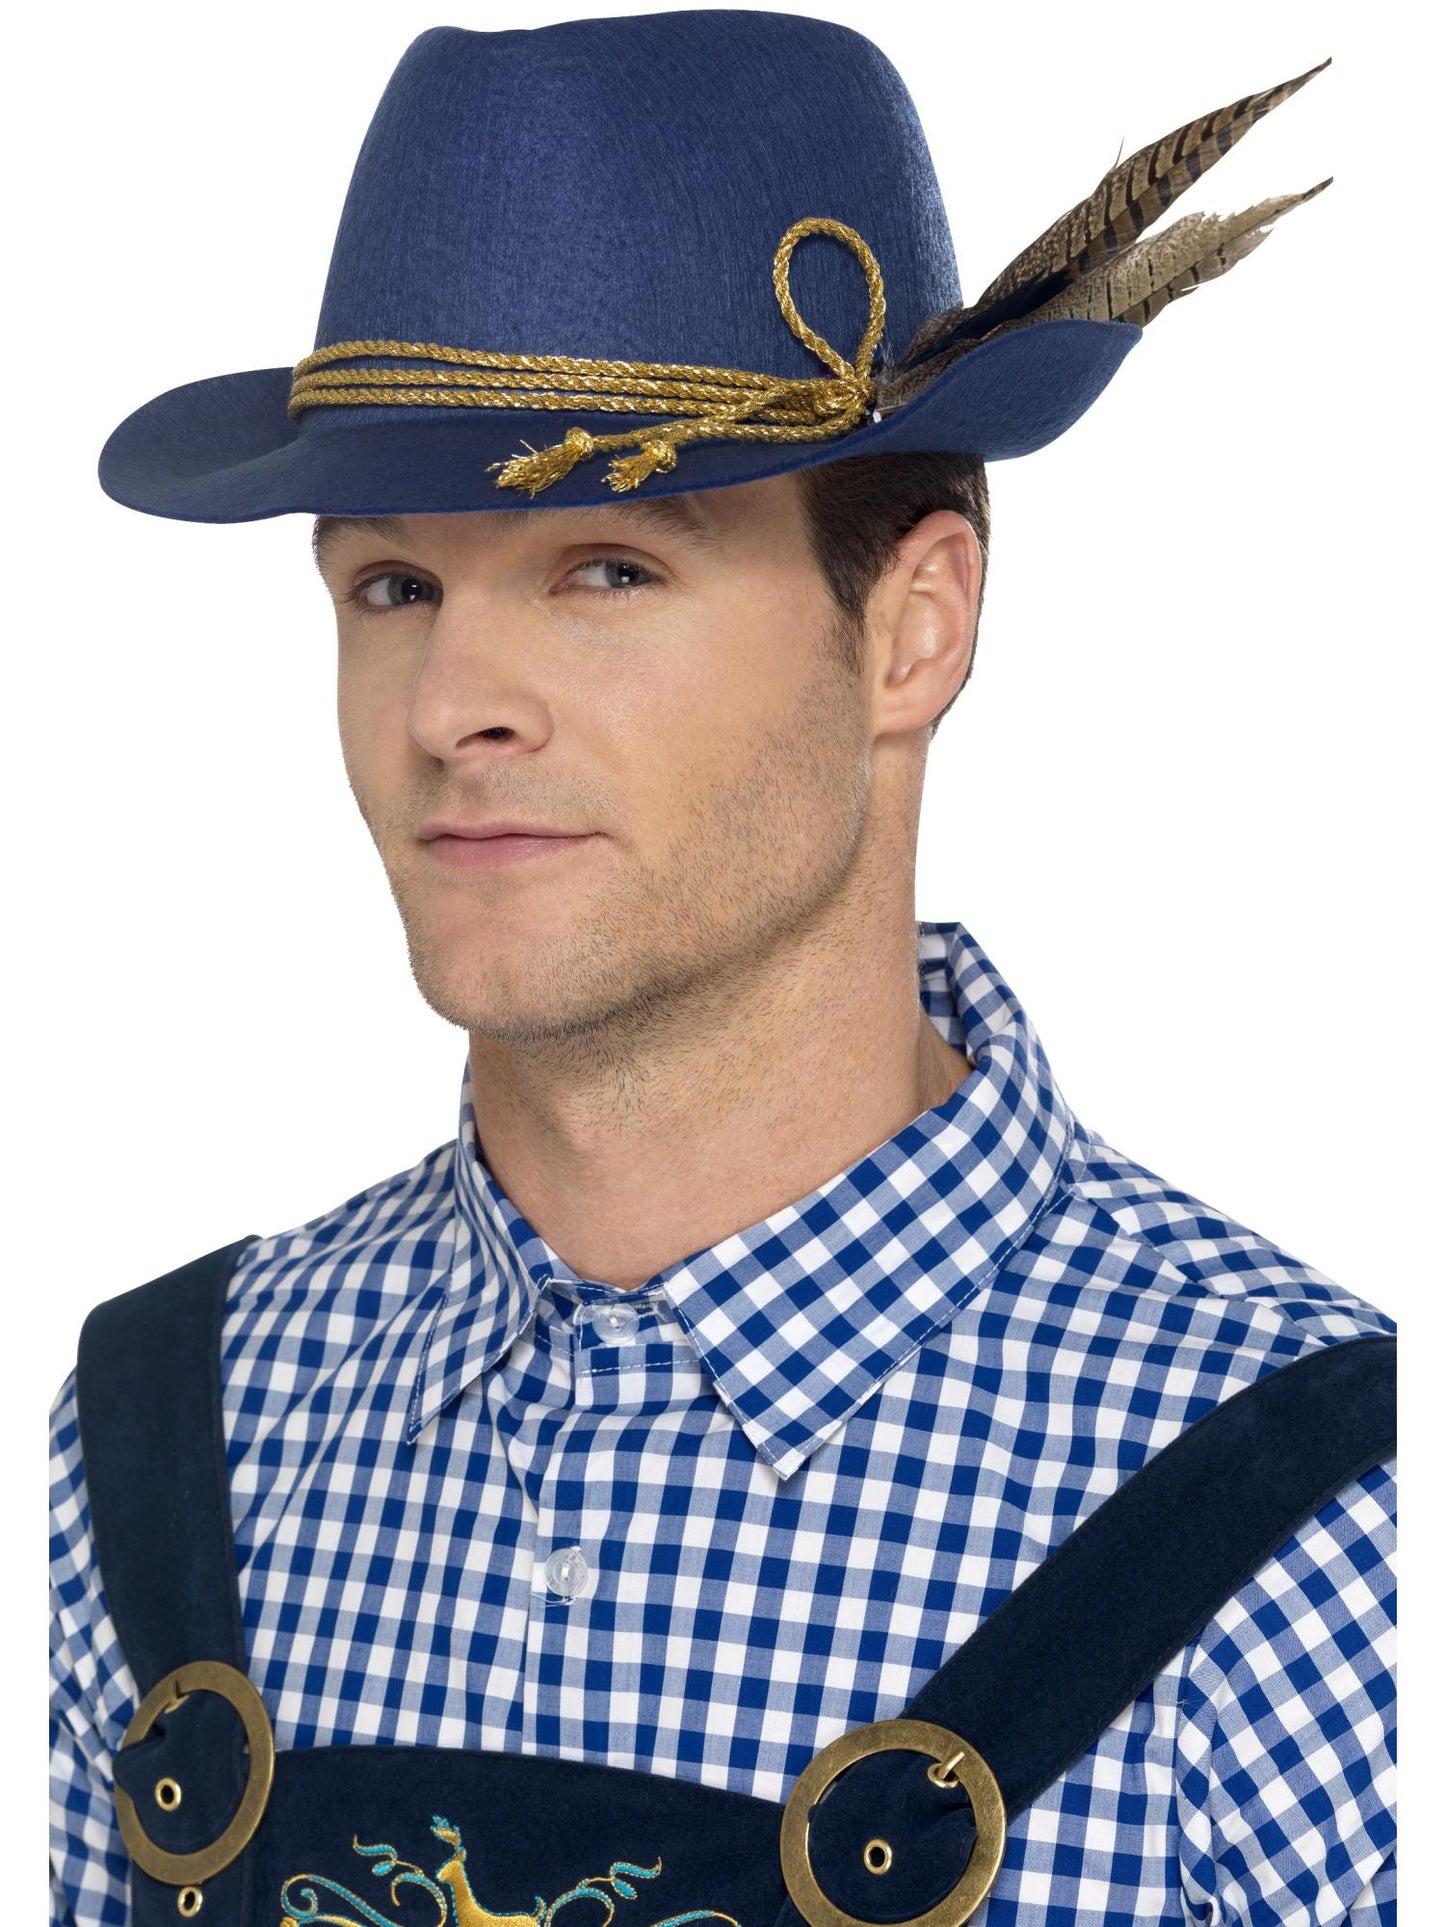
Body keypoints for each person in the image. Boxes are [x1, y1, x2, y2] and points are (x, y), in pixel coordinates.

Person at [49, 11, 1395, 1927]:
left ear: (912, 632)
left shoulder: (1325, 1540)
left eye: (608, 570)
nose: (450, 707)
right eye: (393, 588)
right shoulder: (164, 1441)